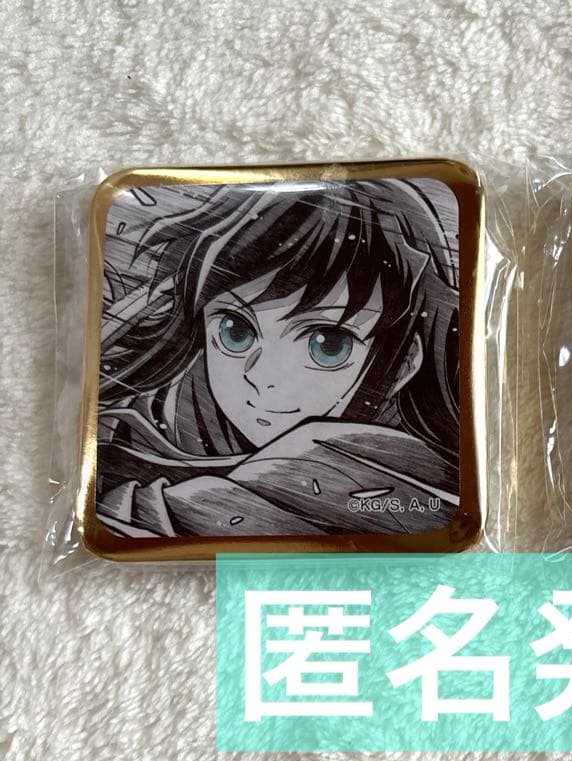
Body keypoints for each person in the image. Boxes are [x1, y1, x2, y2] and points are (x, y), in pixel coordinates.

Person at [95, 178, 460, 537]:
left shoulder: (423, 481)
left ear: (404, 362)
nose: (263, 376)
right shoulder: (121, 439)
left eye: (327, 345)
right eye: (235, 331)